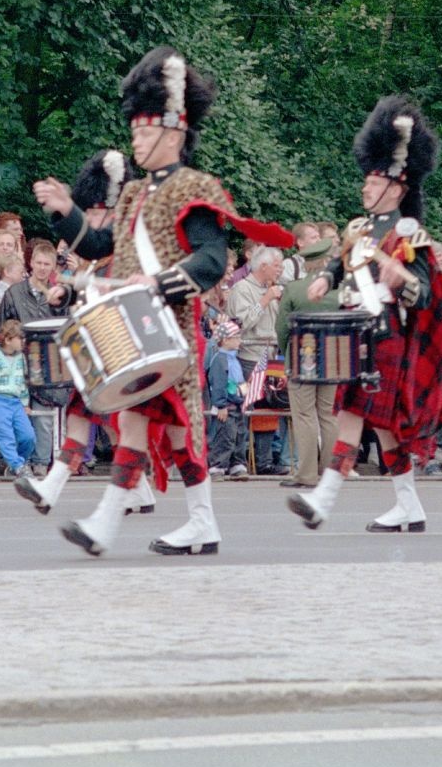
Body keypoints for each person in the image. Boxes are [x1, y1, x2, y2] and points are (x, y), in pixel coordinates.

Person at [33, 46, 292, 556]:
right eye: (134, 130)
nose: (136, 140)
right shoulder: (131, 195)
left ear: (173, 132)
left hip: (169, 326)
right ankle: (202, 523)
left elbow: (212, 260)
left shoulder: (196, 187)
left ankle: (107, 523)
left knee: (142, 420)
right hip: (131, 327)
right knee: (175, 431)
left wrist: (158, 284)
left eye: (145, 131)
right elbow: (102, 247)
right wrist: (66, 213)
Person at [287, 95, 442, 533]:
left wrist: (401, 275)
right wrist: (327, 278)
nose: (365, 188)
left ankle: (325, 498)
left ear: (396, 188)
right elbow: (346, 261)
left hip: (389, 335)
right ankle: (408, 505)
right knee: (386, 427)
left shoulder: (409, 235)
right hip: (361, 334)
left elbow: (426, 293)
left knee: (355, 414)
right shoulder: (361, 229)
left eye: (373, 184)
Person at [15, 149, 157, 517]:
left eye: (97, 212)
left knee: (119, 424)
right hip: (98, 342)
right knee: (86, 416)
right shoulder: (95, 254)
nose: (91, 218)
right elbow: (91, 287)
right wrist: (67, 292)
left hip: (126, 346)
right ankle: (57, 486)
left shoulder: (131, 247)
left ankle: (136, 490)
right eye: (89, 211)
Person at [0, 238, 70, 473]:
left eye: (47, 264)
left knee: (44, 416)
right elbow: (1, 328)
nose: (42, 268)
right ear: (31, 263)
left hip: (47, 360)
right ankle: (14, 460)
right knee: (13, 414)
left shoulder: (61, 296)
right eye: (38, 263)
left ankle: (39, 463)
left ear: (53, 267)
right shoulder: (14, 292)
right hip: (17, 359)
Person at [274, 238, 340, 488]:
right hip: (334, 356)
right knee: (327, 414)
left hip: (303, 356)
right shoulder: (339, 290)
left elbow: (281, 327)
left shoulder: (294, 289)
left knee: (304, 415)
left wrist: (287, 350)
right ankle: (328, 471)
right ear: (326, 261)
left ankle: (307, 474)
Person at [226, 244, 288, 475]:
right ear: (262, 266)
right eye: (276, 265)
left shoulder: (274, 288)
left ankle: (263, 462)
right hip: (248, 356)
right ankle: (238, 461)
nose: (280, 270)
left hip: (271, 356)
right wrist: (264, 300)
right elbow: (240, 324)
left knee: (268, 410)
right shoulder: (241, 289)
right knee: (244, 410)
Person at [0, 320, 38, 477]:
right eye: (20, 338)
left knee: (28, 436)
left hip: (15, 402)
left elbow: (22, 382)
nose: (23, 342)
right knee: (5, 436)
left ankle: (16, 461)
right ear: (8, 340)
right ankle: (17, 465)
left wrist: (25, 403)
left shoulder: (21, 358)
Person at [204, 320, 250, 478]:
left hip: (237, 403)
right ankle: (218, 465)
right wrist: (221, 405)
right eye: (235, 337)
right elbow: (218, 384)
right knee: (225, 436)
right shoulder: (220, 359)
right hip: (227, 406)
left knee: (239, 435)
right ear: (225, 340)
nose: (239, 340)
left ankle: (237, 464)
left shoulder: (234, 359)